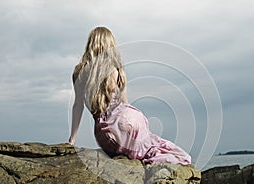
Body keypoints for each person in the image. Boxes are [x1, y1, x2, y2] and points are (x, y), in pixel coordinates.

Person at [68, 26, 191, 165]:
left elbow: (78, 106)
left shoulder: (79, 71)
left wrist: (72, 140)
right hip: (129, 121)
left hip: (107, 134)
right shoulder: (116, 69)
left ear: (91, 44)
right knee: (155, 147)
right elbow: (125, 104)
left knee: (145, 149)